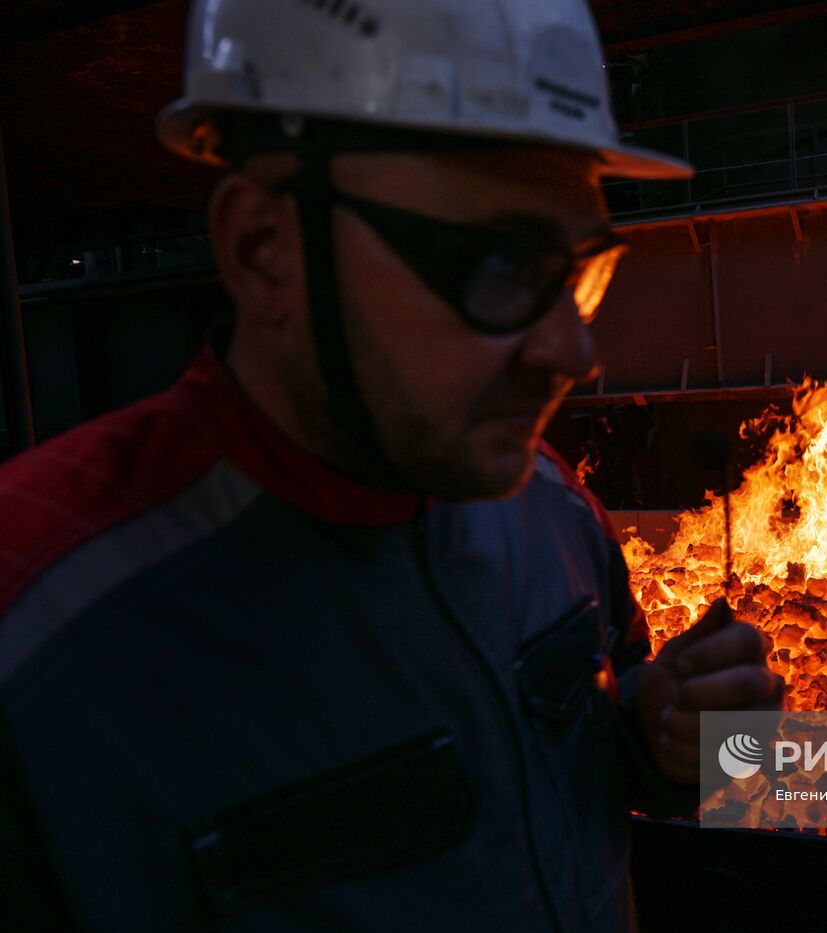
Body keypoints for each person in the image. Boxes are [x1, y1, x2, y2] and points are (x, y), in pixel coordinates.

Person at [0, 1, 781, 930]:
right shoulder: (40, 636)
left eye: (582, 271)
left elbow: (598, 764)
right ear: (265, 252)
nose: (576, 351)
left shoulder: (550, 505)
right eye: (497, 264)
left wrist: (667, 736)